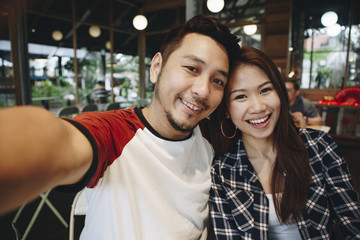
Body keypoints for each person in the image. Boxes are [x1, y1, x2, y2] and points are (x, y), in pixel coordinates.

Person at [0, 15, 239, 239]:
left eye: (217, 81)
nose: (203, 91)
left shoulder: (211, 137)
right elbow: (57, 140)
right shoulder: (114, 133)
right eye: (192, 68)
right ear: (156, 67)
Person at [208, 46, 360, 239]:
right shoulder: (222, 171)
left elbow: (352, 224)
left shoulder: (319, 146)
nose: (258, 107)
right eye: (240, 96)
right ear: (226, 110)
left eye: (265, 90)